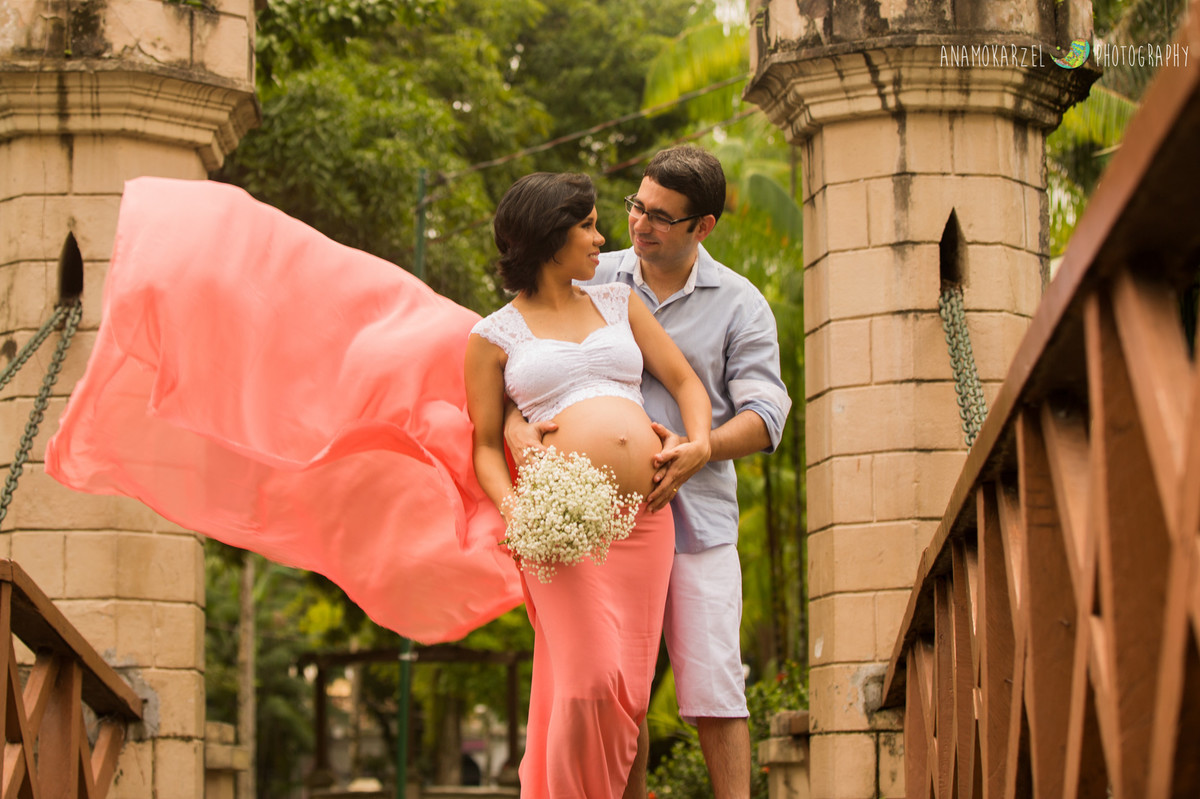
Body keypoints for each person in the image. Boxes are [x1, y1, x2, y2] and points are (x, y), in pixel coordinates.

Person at [507, 147, 792, 799]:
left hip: (699, 525)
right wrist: (520, 429)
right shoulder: (587, 277)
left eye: (662, 216)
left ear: (703, 226)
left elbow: (766, 412)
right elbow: (514, 359)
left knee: (715, 686)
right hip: (599, 528)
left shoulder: (740, 304)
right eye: (637, 205)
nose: (640, 223)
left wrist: (702, 448)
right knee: (616, 686)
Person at [466, 172, 713, 798]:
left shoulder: (617, 302)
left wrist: (696, 442)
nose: (602, 238)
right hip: (561, 526)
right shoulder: (492, 336)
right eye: (587, 226)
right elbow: (485, 447)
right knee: (588, 685)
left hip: (645, 518)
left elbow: (685, 384)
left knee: (627, 694)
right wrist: (518, 511)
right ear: (551, 238)